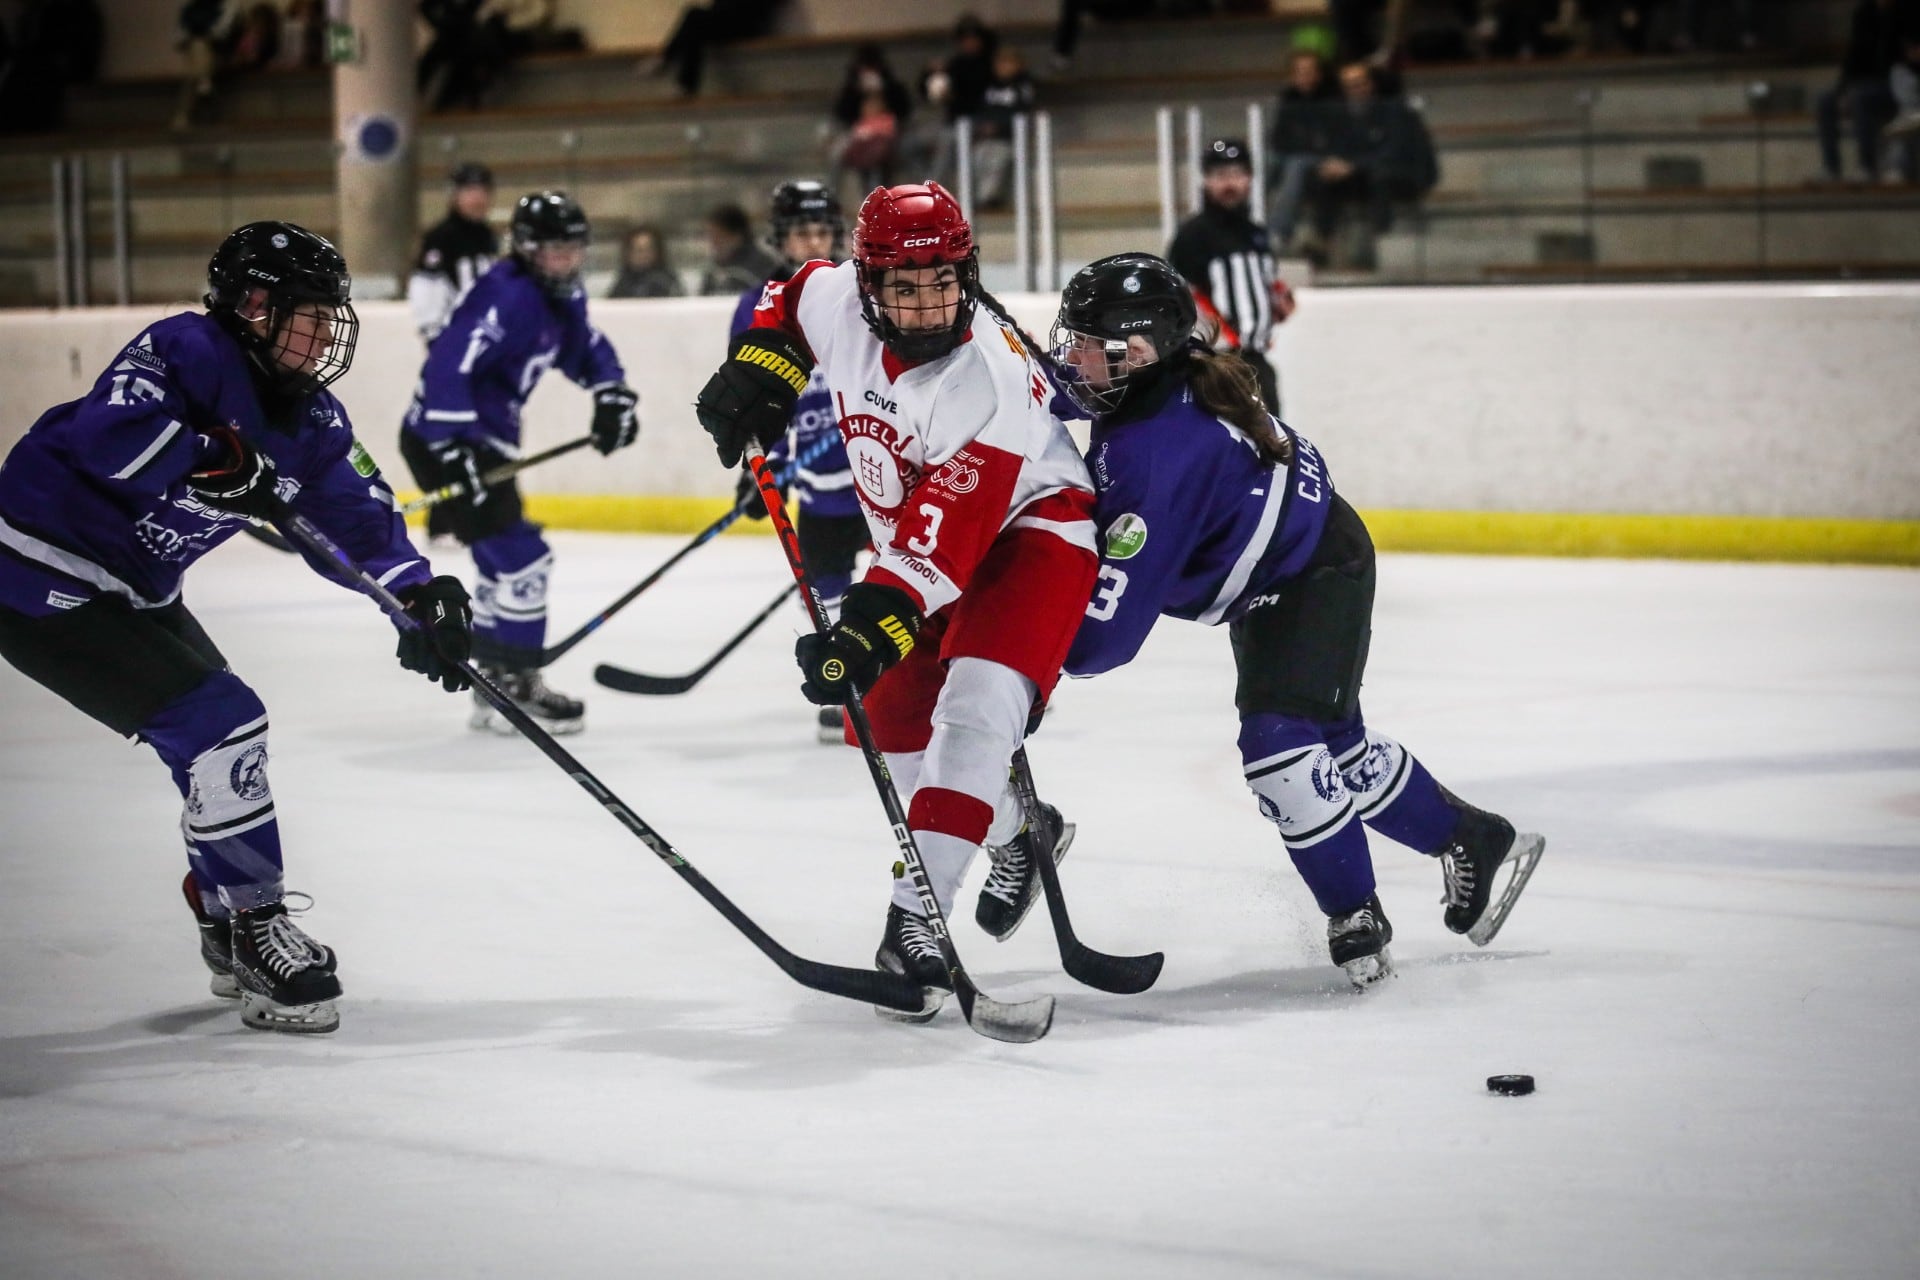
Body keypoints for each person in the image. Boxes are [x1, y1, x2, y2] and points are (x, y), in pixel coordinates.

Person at [0, 222, 474, 1033]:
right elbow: (107, 435)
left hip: (134, 590)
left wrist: (420, 597)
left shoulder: (313, 422)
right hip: (35, 572)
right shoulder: (186, 348)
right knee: (223, 726)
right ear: (254, 306)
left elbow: (360, 523)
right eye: (310, 314)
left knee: (221, 741)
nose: (326, 334)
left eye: (332, 316)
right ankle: (255, 930)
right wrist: (205, 459)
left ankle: (225, 918)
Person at [1050, 253, 1546, 988]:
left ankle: (1355, 911)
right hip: (1297, 562)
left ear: (1140, 350)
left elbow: (1101, 644)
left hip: (1314, 576)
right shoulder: (1158, 385)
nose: (1072, 356)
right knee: (1335, 743)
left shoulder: (1154, 459)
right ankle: (1474, 838)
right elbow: (1056, 397)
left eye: (1088, 342)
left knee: (1279, 742)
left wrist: (1024, 638)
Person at [694, 182, 1100, 1019]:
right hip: (919, 543)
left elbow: (938, 544)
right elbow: (786, 297)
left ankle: (916, 923)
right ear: (869, 281)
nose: (927, 306)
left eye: (945, 282)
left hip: (1032, 534)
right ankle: (1020, 830)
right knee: (892, 727)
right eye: (905, 289)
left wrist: (867, 626)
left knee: (978, 708)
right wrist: (763, 366)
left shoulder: (979, 379)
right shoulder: (834, 293)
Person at [398, 191, 640, 735]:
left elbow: (585, 347)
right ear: (527, 250)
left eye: (573, 248)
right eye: (555, 250)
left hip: (481, 444)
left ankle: (491, 679)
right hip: (450, 442)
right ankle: (516, 681)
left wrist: (611, 393)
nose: (567, 260)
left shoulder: (559, 295)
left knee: (497, 562)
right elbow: (447, 363)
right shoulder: (506, 297)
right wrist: (449, 446)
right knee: (525, 561)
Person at [725, 180, 867, 743]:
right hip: (821, 484)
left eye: (823, 230)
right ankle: (846, 683)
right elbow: (754, 399)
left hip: (881, 473)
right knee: (825, 582)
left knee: (910, 576)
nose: (814, 240)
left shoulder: (862, 291)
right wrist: (758, 470)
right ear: (780, 238)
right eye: (801, 232)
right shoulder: (758, 306)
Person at [1167, 138, 1289, 414]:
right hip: (1215, 366)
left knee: (1272, 451)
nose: (1229, 184)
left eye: (1236, 174)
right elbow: (1178, 301)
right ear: (1206, 181)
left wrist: (1275, 304)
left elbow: (1265, 287)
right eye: (1221, 176)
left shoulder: (1256, 234)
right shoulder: (1193, 235)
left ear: (1249, 179)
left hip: (1256, 363)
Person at [408, 162, 499, 344]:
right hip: (453, 340)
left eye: (483, 192)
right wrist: (435, 338)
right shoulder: (440, 238)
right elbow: (426, 291)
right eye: (471, 191)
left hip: (486, 338)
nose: (478, 199)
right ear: (454, 195)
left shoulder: (488, 236)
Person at [698, 202, 782, 297]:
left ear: (736, 236)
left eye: (718, 236)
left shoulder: (764, 265)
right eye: (710, 235)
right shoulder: (713, 269)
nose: (713, 242)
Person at [607, 225, 684, 298]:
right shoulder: (623, 282)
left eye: (648, 249)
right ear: (628, 253)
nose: (643, 255)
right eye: (638, 250)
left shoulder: (666, 282)